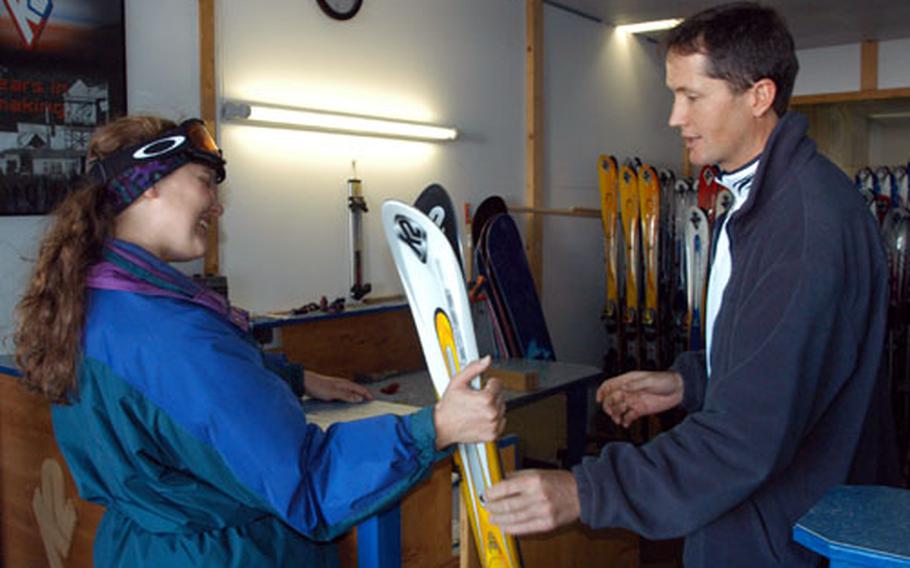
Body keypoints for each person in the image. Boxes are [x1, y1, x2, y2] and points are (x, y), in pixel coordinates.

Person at [484, 3, 897, 566]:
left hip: (785, 535)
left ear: (759, 96)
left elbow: (745, 437)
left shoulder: (802, 227)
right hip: (757, 520)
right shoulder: (756, 201)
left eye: (692, 96)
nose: (674, 118)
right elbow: (780, 360)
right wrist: (688, 382)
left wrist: (588, 490)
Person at [14, 116, 506, 567]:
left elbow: (162, 403)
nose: (217, 204)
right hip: (222, 556)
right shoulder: (174, 336)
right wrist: (436, 427)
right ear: (149, 188)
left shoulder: (88, 303)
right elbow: (310, 485)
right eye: (205, 182)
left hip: (140, 549)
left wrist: (296, 378)